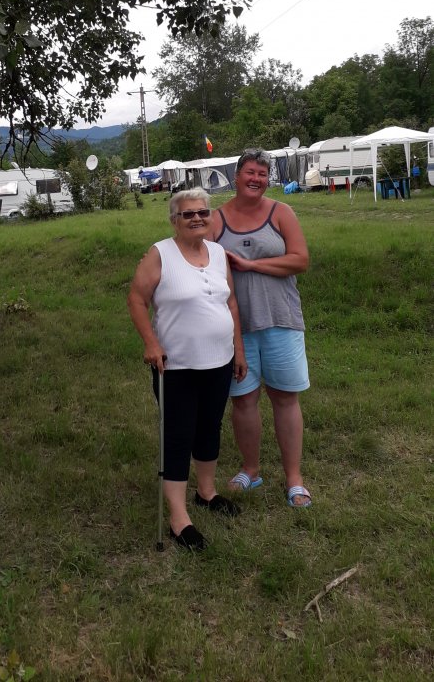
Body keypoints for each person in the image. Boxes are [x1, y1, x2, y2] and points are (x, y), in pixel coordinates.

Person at [128, 188, 247, 551]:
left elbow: (231, 302)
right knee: (178, 436)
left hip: (219, 360)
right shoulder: (160, 254)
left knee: (209, 427)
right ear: (174, 220)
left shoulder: (217, 253)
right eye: (188, 214)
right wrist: (151, 343)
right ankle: (179, 519)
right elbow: (136, 298)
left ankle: (207, 493)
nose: (197, 218)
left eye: (202, 212)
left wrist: (238, 351)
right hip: (176, 365)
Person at [207, 149, 312, 508]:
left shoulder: (282, 213)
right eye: (250, 172)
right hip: (235, 327)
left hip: (281, 318)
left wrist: (251, 266)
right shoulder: (216, 219)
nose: (256, 179)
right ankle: (250, 470)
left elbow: (300, 260)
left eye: (262, 174)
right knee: (243, 399)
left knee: (285, 397)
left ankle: (294, 478)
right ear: (236, 176)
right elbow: (199, 260)